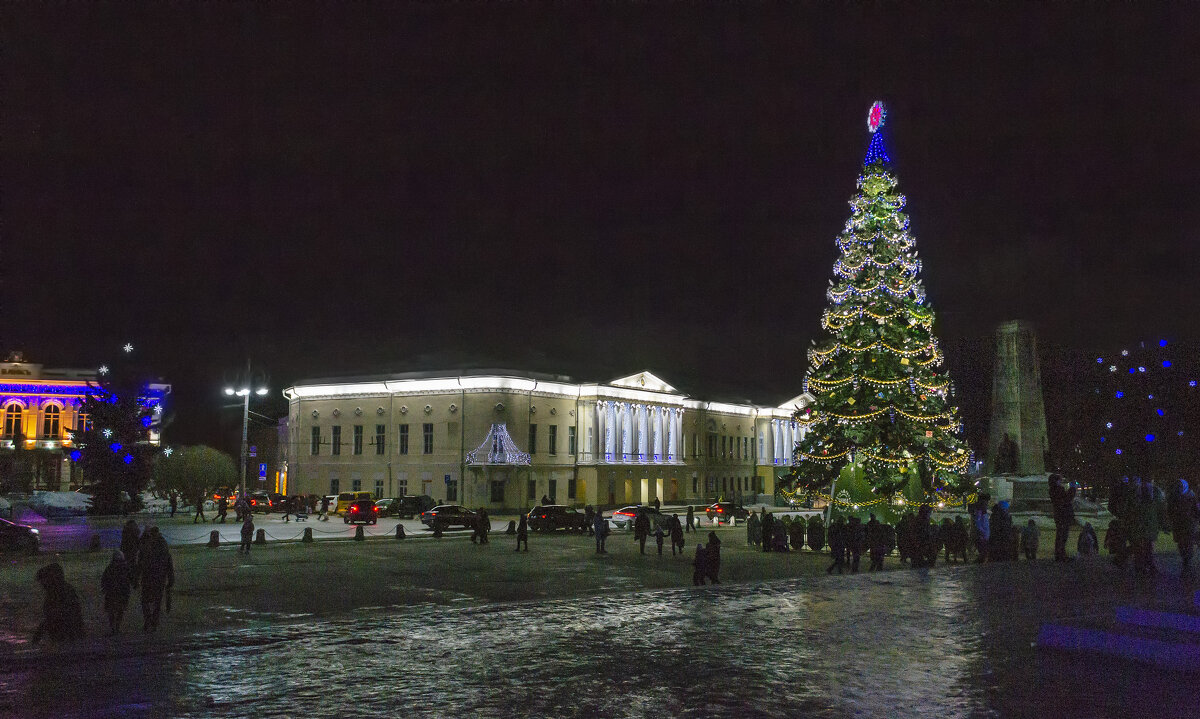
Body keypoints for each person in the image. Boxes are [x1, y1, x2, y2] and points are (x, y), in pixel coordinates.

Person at [32, 563, 83, 644]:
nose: (42, 585)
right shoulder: (61, 590)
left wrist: (36, 638)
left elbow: (55, 617)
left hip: (67, 637)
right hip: (70, 635)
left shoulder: (59, 592)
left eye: (43, 581)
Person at [140, 527, 174, 633]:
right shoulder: (164, 549)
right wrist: (171, 580)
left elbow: (140, 564)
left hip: (147, 578)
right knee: (157, 602)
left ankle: (148, 620)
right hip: (160, 579)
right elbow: (169, 565)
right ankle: (154, 622)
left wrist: (136, 578)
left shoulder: (146, 548)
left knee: (145, 601)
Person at [1130, 477, 1165, 576]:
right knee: (1148, 546)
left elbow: (1127, 511)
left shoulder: (1134, 494)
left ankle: (1141, 567)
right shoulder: (1155, 494)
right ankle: (1149, 566)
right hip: (1149, 525)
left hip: (1139, 526)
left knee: (1140, 547)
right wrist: (1164, 525)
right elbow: (1160, 511)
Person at [1167, 479, 1199, 576]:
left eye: (1180, 486)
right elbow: (1170, 510)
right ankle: (1186, 563)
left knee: (1188, 544)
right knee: (1181, 544)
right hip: (1179, 525)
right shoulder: (1174, 497)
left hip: (1188, 525)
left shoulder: (1191, 497)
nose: (1179, 488)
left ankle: (1187, 564)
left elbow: (1196, 510)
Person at [100, 551, 132, 635]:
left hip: (113, 593)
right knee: (119, 610)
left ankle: (114, 627)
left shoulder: (110, 568)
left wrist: (104, 588)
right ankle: (116, 627)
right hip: (120, 593)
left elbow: (104, 579)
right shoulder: (125, 568)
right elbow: (129, 579)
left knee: (113, 610)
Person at [1048, 474, 1076, 562]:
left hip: (1060, 515)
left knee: (1061, 535)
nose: (1061, 482)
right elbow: (1067, 499)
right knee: (1062, 536)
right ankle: (1061, 555)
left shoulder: (1053, 489)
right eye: (1059, 480)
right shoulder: (1058, 489)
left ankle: (1060, 554)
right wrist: (1072, 488)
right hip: (1063, 515)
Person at [120, 520, 142, 589]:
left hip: (127, 551)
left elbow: (123, 542)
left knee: (128, 566)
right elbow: (138, 541)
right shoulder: (135, 531)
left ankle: (128, 580)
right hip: (133, 551)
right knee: (133, 566)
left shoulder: (125, 531)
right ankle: (134, 582)